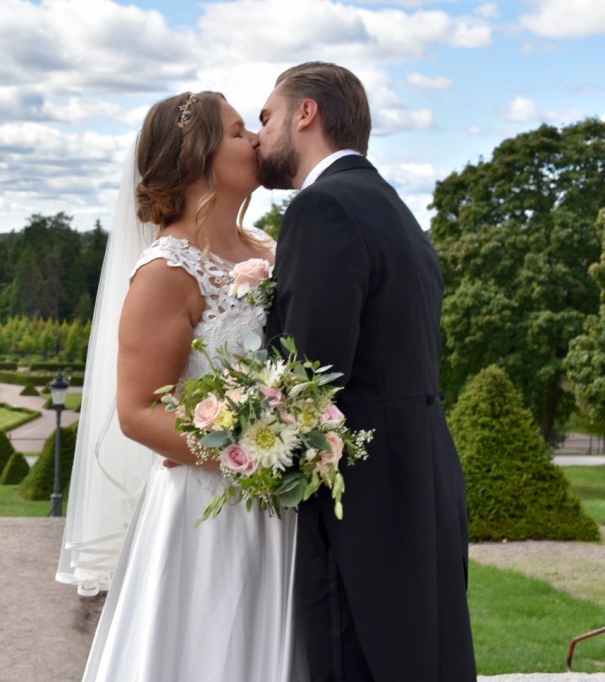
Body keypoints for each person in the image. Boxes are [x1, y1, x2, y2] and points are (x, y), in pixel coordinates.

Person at [59, 90, 307, 681]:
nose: (255, 140)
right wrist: (249, 456)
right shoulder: (168, 269)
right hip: (209, 515)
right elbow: (138, 410)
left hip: (287, 508)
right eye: (238, 130)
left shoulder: (271, 250)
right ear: (198, 156)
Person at [258, 61, 477, 681]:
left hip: (364, 501)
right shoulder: (390, 207)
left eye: (266, 116)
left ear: (307, 114)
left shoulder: (321, 208)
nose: (259, 134)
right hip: (421, 477)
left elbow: (306, 379)